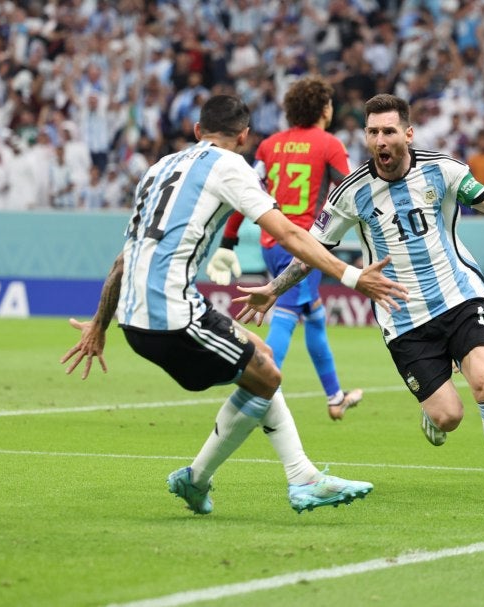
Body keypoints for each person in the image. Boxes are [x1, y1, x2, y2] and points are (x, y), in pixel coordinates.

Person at [234, 94, 484, 507]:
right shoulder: (351, 193)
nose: (380, 140)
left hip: (459, 296)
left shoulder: (442, 170)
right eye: (373, 132)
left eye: (389, 131)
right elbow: (313, 250)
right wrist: (273, 288)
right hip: (404, 316)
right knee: (449, 415)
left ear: (407, 133)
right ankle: (434, 414)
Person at [60, 95, 409, 516]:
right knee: (266, 375)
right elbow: (292, 234)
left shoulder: (157, 169)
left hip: (138, 314)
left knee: (260, 362)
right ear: (244, 136)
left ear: (195, 131)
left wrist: (100, 323)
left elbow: (124, 256)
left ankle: (255, 478)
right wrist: (353, 276)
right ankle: (287, 479)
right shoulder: (230, 166)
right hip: (170, 316)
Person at [206, 77, 363, 421]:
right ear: (324, 108)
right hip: (304, 247)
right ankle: (254, 389)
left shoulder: (269, 146)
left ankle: (335, 397)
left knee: (316, 318)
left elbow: (244, 195)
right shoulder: (330, 145)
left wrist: (229, 240)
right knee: (286, 318)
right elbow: (353, 194)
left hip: (270, 241)